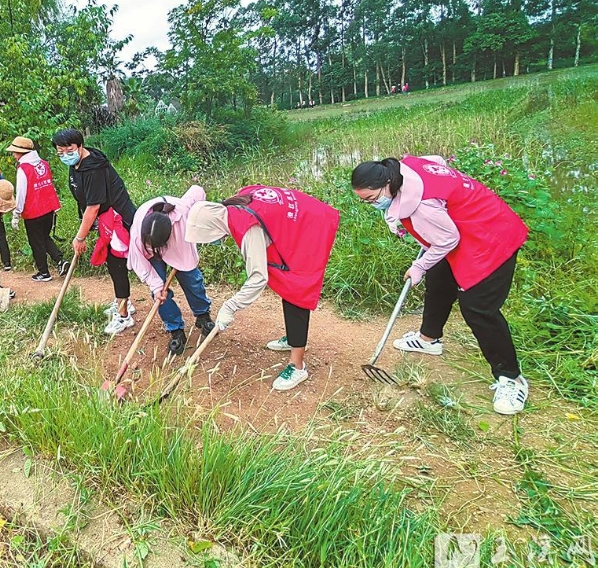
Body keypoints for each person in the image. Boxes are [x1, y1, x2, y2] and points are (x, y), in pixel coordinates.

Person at [351, 155, 530, 415]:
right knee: (439, 278)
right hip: (464, 227)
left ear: (388, 183)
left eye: (371, 198)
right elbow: (436, 161)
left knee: (477, 307)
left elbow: (447, 241)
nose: (371, 204)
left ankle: (511, 378)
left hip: (491, 237)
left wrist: (420, 265)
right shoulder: (405, 168)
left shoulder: (423, 206)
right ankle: (428, 339)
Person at [185, 186, 339, 391]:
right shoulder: (236, 201)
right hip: (306, 216)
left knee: (296, 289)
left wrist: (230, 306)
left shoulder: (248, 228)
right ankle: (294, 339)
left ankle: (298, 365)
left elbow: (258, 278)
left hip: (311, 226)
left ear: (211, 229)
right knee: (287, 284)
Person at [52, 128, 138, 335]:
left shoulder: (93, 169)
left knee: (116, 264)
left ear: (80, 146)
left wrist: (80, 237)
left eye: (69, 150)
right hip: (105, 220)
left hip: (118, 221)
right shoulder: (78, 163)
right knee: (114, 265)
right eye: (59, 152)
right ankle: (123, 301)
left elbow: (93, 206)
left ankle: (124, 315)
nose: (65, 155)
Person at [127, 185, 215, 356]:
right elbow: (140, 261)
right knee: (159, 294)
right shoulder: (138, 231)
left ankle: (203, 316)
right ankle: (175, 329)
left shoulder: (182, 213)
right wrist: (156, 286)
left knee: (192, 279)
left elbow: (197, 190)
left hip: (178, 244)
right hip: (151, 254)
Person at [6, 136, 68, 281]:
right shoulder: (44, 164)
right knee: (44, 237)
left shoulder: (24, 169)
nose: (14, 155)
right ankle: (60, 260)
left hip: (33, 211)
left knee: (35, 242)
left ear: (22, 152)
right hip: (49, 208)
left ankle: (44, 273)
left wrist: (17, 213)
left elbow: (21, 193)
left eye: (15, 152)